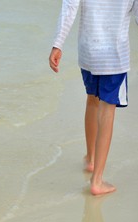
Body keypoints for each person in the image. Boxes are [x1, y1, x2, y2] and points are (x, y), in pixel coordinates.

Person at [49, 0, 138, 195]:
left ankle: (90, 158)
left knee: (92, 100)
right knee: (107, 111)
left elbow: (69, 7)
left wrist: (58, 44)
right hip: (115, 56)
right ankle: (97, 181)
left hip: (89, 52)